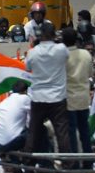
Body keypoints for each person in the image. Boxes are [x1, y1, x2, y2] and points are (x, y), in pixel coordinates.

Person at [24, 23, 73, 159]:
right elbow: (67, 58)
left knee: (33, 132)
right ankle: (67, 166)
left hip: (38, 97)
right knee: (62, 133)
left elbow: (27, 67)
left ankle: (27, 165)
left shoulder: (32, 52)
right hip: (57, 98)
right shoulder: (61, 49)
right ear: (53, 35)